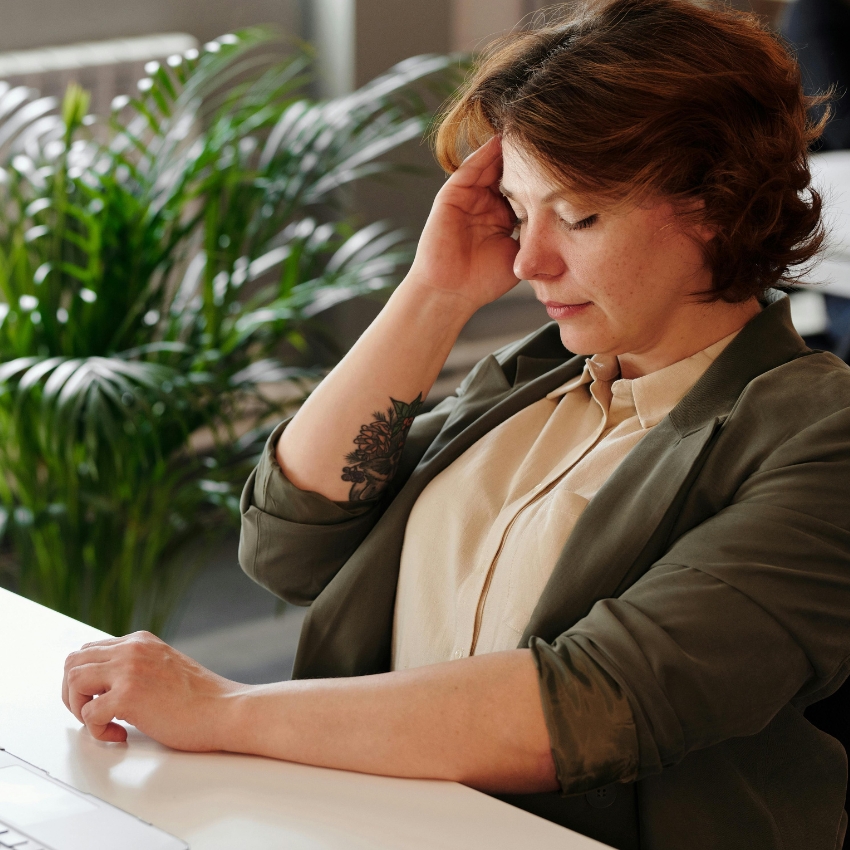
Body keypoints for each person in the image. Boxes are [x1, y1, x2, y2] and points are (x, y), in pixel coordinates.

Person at [61, 0, 850, 847]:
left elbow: (598, 703)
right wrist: (431, 294)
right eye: (518, 209)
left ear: (717, 204)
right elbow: (289, 545)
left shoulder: (815, 433)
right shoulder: (532, 381)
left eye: (578, 215)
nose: (526, 260)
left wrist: (219, 709)